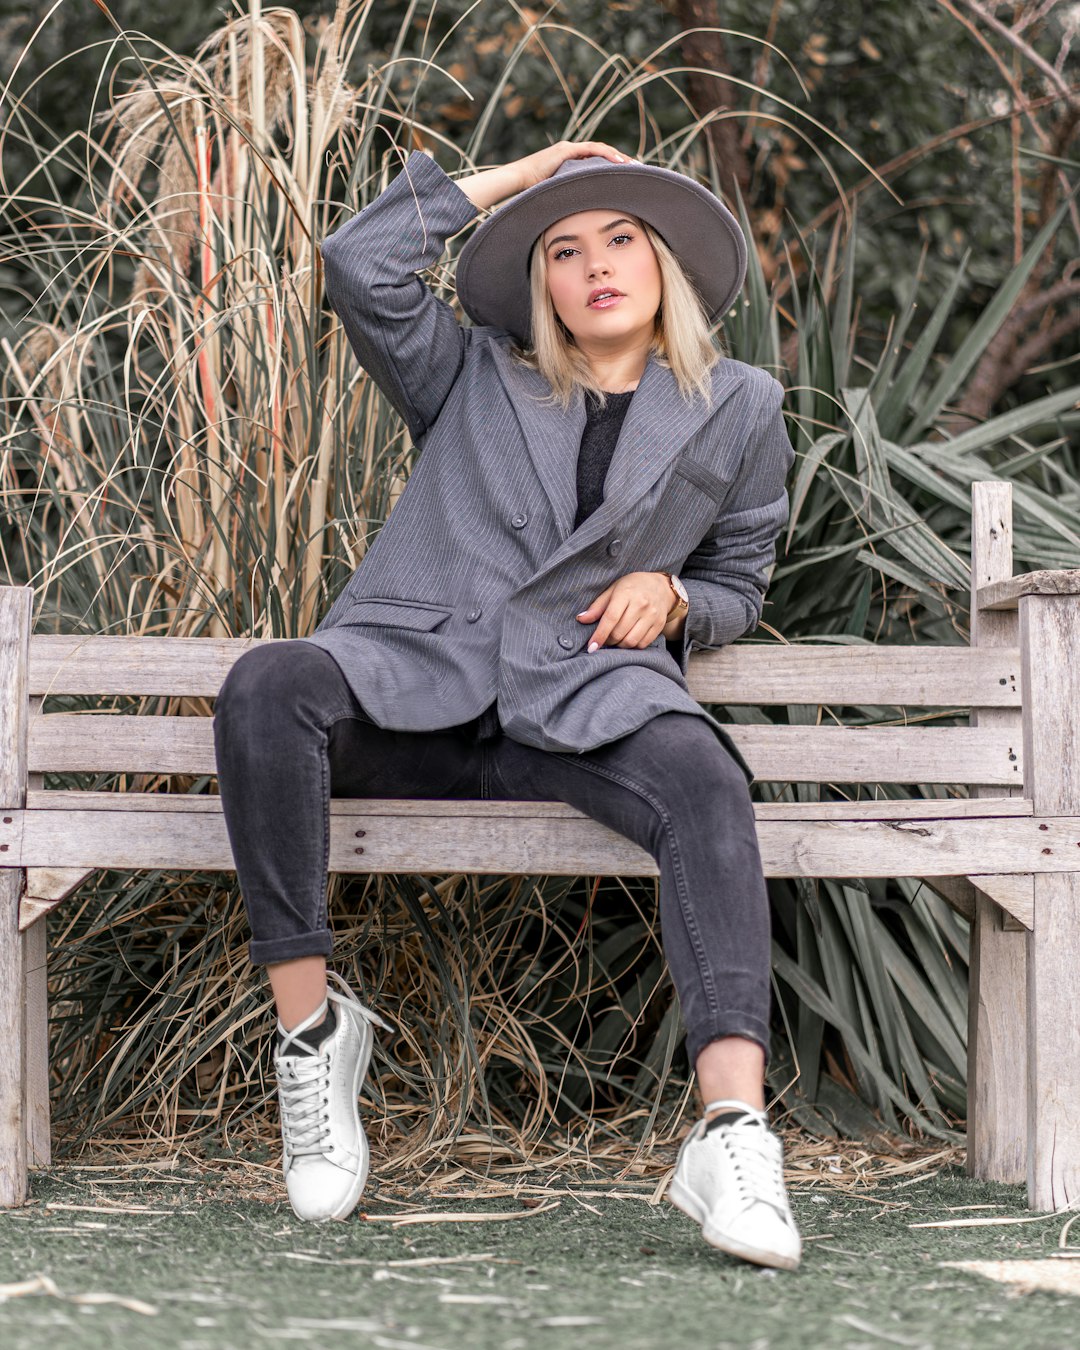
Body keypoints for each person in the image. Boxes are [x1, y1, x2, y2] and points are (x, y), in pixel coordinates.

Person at [213, 140, 801, 1270]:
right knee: (267, 684)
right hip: (414, 694)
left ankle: (732, 1136)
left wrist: (677, 595)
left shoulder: (738, 406)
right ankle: (312, 1035)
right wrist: (527, 178)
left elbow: (740, 578)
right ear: (541, 284)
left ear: (665, 261)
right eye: (563, 249)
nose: (594, 268)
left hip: (581, 705)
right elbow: (357, 261)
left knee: (704, 776)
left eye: (621, 239)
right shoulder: (471, 372)